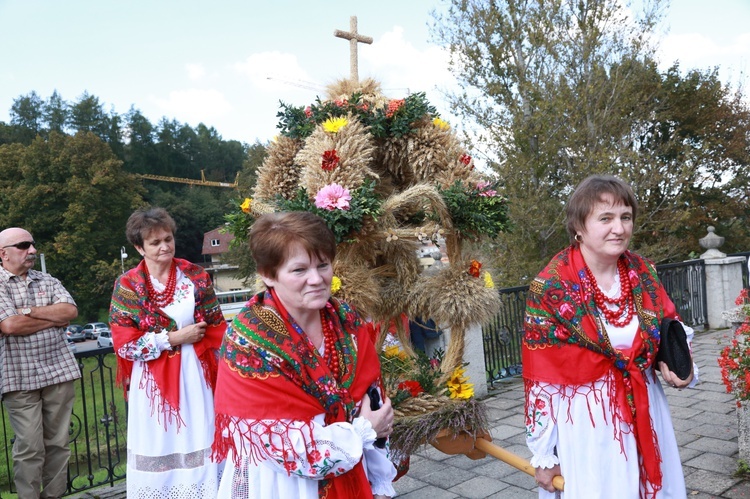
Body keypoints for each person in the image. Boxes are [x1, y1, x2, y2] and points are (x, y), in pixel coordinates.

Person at [522, 175, 698, 499]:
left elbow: (668, 328)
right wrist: (544, 455)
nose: (619, 228)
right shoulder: (551, 287)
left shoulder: (643, 273)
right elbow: (541, 381)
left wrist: (678, 365)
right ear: (579, 226)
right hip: (587, 427)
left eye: (625, 217)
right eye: (606, 218)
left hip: (647, 409)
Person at [212, 211, 397, 499]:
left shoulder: (345, 319)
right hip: (282, 486)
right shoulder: (249, 341)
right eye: (299, 270)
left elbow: (374, 405)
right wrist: (362, 432)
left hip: (354, 472)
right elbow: (280, 447)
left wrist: (380, 481)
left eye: (323, 265)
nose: (316, 279)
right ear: (268, 275)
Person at [109, 207, 227, 497]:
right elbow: (124, 342)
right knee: (159, 440)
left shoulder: (195, 276)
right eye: (155, 242)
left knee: (200, 431)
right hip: (151, 380)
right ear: (139, 247)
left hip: (196, 373)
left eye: (168, 239)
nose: (164, 247)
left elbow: (216, 324)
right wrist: (171, 338)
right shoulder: (128, 285)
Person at [0, 227, 80, 498]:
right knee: (30, 447)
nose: (32, 251)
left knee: (59, 443)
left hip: (59, 371)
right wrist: (50, 317)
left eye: (32, 245)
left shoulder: (47, 279)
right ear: (4, 254)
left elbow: (70, 311)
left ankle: (54, 496)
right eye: (24, 246)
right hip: (18, 376)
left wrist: (28, 311)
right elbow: (9, 325)